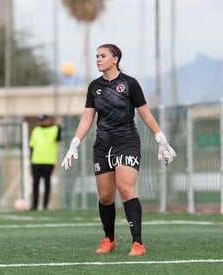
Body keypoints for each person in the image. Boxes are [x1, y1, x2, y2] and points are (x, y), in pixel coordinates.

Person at [61, 43, 176, 256]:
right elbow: (87, 118)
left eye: (102, 55)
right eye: (96, 56)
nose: (98, 59)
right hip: (103, 144)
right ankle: (109, 239)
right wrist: (74, 143)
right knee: (105, 197)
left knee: (125, 189)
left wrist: (160, 137)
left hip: (127, 141)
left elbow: (145, 113)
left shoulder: (129, 84)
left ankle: (137, 243)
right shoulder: (94, 87)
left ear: (115, 59)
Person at [29, 114, 61, 210]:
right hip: (36, 161)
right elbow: (31, 146)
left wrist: (59, 126)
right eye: (40, 120)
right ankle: (34, 205)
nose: (42, 122)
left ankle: (45, 206)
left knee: (47, 184)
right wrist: (30, 160)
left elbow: (58, 138)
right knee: (36, 184)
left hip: (48, 162)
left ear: (49, 120)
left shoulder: (54, 129)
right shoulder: (36, 130)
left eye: (44, 120)